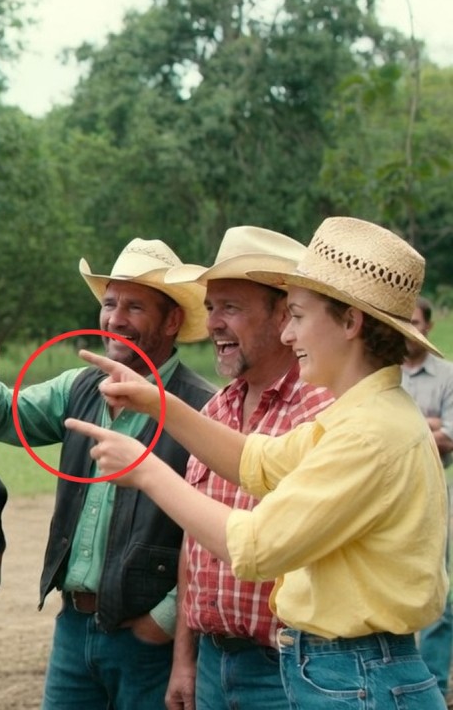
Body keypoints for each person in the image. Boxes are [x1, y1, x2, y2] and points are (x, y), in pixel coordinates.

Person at [67, 217, 449, 708]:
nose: (289, 335)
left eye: (298, 316)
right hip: (350, 670)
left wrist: (147, 470)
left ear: (350, 322)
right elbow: (259, 460)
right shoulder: (365, 414)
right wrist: (157, 403)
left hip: (355, 677)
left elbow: (257, 547)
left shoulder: (369, 434)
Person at [0, 238, 215, 709]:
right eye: (110, 303)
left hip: (149, 644)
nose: (115, 318)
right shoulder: (80, 385)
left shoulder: (202, 408)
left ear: (172, 320)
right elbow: (0, 414)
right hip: (74, 630)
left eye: (135, 306)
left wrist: (165, 618)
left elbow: (215, 535)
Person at [159, 226, 334, 710]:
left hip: (293, 668)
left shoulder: (321, 410)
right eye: (211, 307)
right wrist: (185, 661)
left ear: (283, 315)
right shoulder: (215, 410)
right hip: (215, 664)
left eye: (230, 308)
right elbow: (194, 544)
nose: (214, 323)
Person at [403, 297, 453, 699]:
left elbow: (450, 436)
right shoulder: (384, 372)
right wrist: (428, 424)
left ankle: (434, 683)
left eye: (417, 323)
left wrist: (403, 430)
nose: (411, 330)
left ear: (428, 327)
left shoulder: (447, 375)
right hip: (389, 494)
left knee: (437, 586)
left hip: (434, 488)